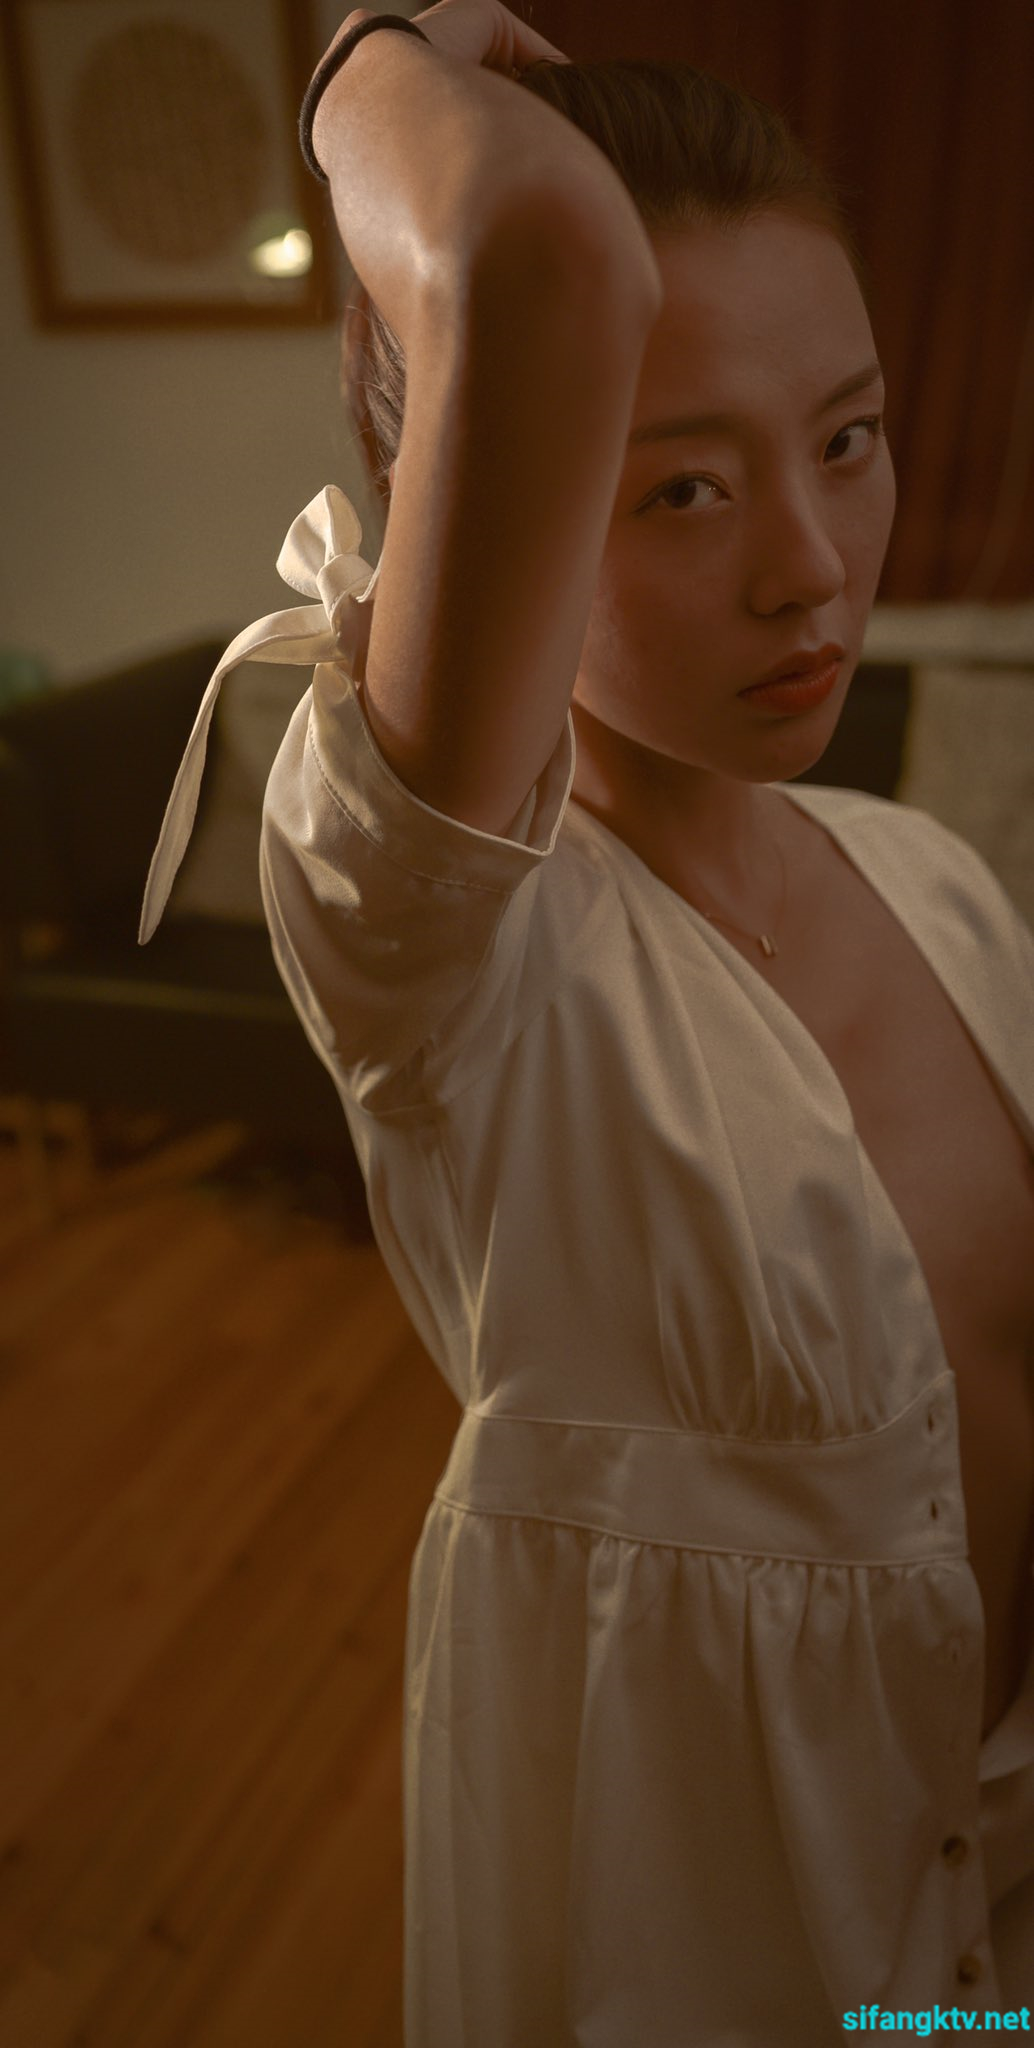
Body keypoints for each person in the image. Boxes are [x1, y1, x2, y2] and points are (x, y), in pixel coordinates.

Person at [138, 3, 1034, 2037]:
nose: (809, 568)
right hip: (730, 1957)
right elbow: (533, 250)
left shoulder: (934, 884)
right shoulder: (450, 961)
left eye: (846, 438)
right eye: (683, 489)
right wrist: (365, 61)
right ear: (474, 490)